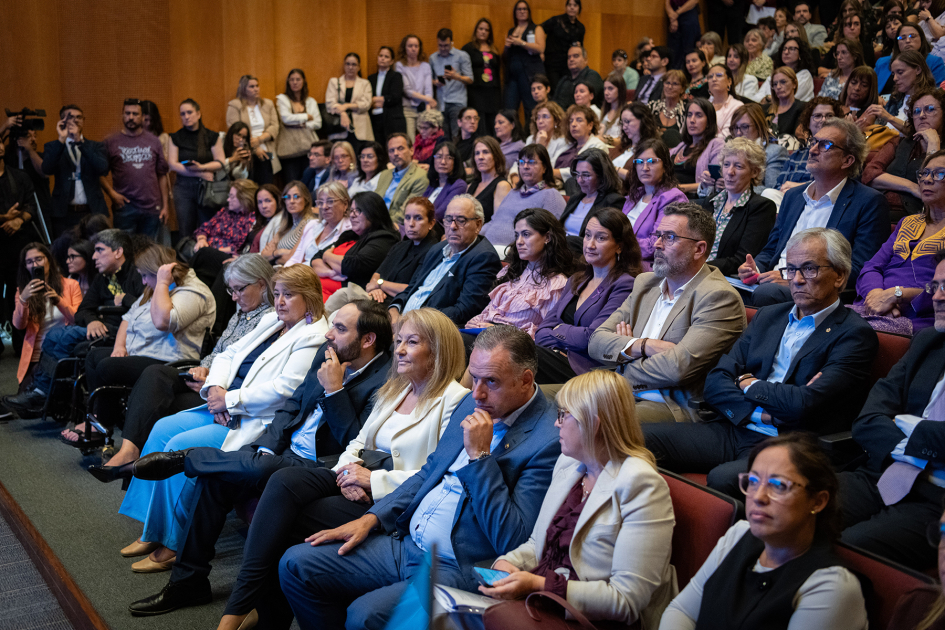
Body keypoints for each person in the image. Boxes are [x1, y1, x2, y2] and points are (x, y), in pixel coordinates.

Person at [278, 325, 561, 630]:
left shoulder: (548, 440)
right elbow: (430, 471)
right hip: (407, 543)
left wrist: (480, 459)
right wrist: (371, 519)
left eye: (491, 381)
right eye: (474, 377)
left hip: (458, 565)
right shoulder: (474, 401)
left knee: (365, 615)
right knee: (296, 564)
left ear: (526, 380)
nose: (476, 392)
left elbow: (512, 538)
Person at [123, 299, 393, 619]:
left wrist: (334, 391)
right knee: (217, 478)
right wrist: (265, 446)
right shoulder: (328, 353)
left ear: (368, 340)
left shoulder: (386, 379)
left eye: (340, 328)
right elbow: (290, 408)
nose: (328, 335)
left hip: (321, 467)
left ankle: (187, 459)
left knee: (257, 467)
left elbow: (357, 441)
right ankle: (188, 582)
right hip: (284, 452)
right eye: (331, 325)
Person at [115, 264, 330, 574]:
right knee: (162, 429)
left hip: (255, 420)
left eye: (289, 295)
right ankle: (153, 530)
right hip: (225, 403)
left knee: (178, 447)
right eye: (278, 294)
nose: (280, 301)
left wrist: (228, 400)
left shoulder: (313, 336)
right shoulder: (272, 320)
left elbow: (285, 390)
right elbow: (228, 354)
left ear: (309, 297)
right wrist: (216, 388)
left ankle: (174, 543)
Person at [646, 228, 877, 495]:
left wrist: (748, 384)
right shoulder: (769, 316)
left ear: (840, 276)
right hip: (736, 426)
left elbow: (803, 405)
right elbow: (716, 381)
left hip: (791, 444)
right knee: (639, 439)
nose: (798, 280)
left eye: (810, 269)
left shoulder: (854, 334)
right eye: (791, 269)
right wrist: (762, 413)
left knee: (724, 478)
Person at [482, 369, 675, 628]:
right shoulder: (569, 465)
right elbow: (538, 544)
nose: (556, 423)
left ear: (592, 424)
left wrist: (538, 584)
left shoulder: (642, 485)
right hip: (543, 601)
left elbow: (626, 601)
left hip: (592, 620)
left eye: (563, 415)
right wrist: (507, 564)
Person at [658, 433, 869, 630]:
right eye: (753, 481)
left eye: (778, 485)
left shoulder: (831, 587)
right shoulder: (738, 534)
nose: (759, 496)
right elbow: (682, 611)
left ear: (818, 501)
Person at [87, 255, 274, 474]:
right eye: (230, 290)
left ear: (261, 283)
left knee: (159, 398)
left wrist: (211, 381)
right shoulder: (243, 312)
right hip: (208, 379)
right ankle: (130, 451)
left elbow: (249, 370)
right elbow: (218, 353)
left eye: (239, 289)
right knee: (154, 375)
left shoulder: (270, 319)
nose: (234, 297)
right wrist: (203, 367)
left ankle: (137, 464)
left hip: (226, 391)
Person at [588, 202, 746, 424]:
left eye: (670, 237)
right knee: (548, 403)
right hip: (620, 396)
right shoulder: (646, 283)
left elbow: (676, 368)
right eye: (658, 235)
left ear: (699, 249)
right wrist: (643, 346)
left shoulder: (718, 297)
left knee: (586, 421)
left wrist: (624, 353)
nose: (658, 245)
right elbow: (596, 341)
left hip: (672, 407)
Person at [738, 118, 892, 306]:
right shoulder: (793, 196)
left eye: (825, 145)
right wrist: (754, 268)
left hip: (816, 290)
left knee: (765, 294)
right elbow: (772, 250)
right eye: (813, 142)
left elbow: (860, 268)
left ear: (847, 160)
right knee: (726, 289)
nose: (812, 150)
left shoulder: (869, 202)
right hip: (772, 282)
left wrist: (795, 277)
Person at [4, 229, 144, 420]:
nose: (94, 257)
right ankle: (43, 391)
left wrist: (126, 299)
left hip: (125, 331)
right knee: (56, 334)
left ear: (118, 252)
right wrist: (92, 320)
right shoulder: (103, 279)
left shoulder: (137, 274)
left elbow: (148, 309)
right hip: (100, 328)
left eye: (99, 250)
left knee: (66, 335)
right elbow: (83, 311)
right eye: (29, 262)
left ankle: (44, 392)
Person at [534, 207, 640, 383]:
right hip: (556, 357)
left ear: (619, 246)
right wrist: (566, 338)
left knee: (521, 356)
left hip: (587, 370)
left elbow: (593, 338)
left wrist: (560, 330)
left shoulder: (625, 284)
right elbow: (541, 332)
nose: (590, 245)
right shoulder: (576, 279)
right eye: (588, 235)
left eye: (601, 238)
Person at [851, 150, 945, 335]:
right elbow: (871, 267)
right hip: (874, 307)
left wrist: (897, 295)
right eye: (924, 173)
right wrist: (876, 295)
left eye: (939, 173)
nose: (927, 179)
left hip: (918, 315)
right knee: (817, 321)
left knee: (849, 333)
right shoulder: (908, 222)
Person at [390, 195, 502, 326]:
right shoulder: (437, 249)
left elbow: (464, 311)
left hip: (431, 330)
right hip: (402, 322)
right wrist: (394, 311)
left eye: (461, 220)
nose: (453, 226)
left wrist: (413, 321)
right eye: (448, 219)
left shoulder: (484, 258)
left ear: (478, 225)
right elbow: (412, 288)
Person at [467, 207, 572, 336]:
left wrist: (499, 331)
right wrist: (475, 324)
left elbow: (547, 334)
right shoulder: (512, 272)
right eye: (517, 235)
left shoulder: (556, 284)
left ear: (547, 237)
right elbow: (487, 313)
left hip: (513, 347)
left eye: (526, 234)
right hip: (485, 336)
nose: (519, 242)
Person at [698, 138, 778, 277]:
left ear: (754, 172)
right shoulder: (710, 202)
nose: (730, 172)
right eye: (726, 164)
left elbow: (742, 260)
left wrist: (698, 267)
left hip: (724, 278)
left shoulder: (761, 208)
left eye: (739, 166)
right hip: (694, 273)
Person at [863, 86, 945, 221]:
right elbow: (869, 174)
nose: (922, 115)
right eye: (916, 111)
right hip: (879, 208)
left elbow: (935, 189)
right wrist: (911, 186)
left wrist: (933, 147)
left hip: (916, 216)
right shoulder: (900, 142)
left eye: (930, 109)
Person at [11, 243, 82, 393]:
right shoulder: (22, 290)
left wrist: (58, 300)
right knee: (26, 405)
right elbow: (19, 325)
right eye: (29, 262)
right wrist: (23, 299)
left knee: (46, 399)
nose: (35, 264)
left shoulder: (70, 285)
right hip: (36, 354)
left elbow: (78, 319)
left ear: (49, 260)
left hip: (62, 350)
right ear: (25, 266)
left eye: (39, 259)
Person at [348, 197, 440, 309]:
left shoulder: (434, 251)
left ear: (431, 223)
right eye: (407, 217)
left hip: (400, 307)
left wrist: (380, 284)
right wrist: (376, 288)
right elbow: (377, 274)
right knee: (343, 297)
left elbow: (413, 289)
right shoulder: (400, 246)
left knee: (343, 296)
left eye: (418, 218)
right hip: (379, 299)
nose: (411, 224)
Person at [311, 191, 399, 300]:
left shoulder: (384, 238)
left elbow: (353, 266)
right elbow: (315, 258)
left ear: (373, 212)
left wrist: (327, 256)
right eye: (351, 211)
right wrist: (330, 272)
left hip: (345, 295)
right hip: (321, 287)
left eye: (357, 211)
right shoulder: (349, 235)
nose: (352, 215)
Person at [101, 99, 169, 240]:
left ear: (143, 116)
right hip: (125, 207)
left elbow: (162, 174)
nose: (131, 117)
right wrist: (111, 194)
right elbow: (98, 172)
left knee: (149, 251)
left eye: (135, 114)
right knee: (124, 251)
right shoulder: (111, 142)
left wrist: (165, 206)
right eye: (127, 113)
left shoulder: (154, 141)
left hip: (151, 207)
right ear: (122, 115)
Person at [41, 105, 109, 237]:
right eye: (71, 117)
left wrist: (80, 142)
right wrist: (61, 140)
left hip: (92, 211)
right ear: (62, 121)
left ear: (83, 120)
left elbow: (103, 168)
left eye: (79, 117)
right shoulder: (52, 146)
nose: (76, 120)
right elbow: (47, 169)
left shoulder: (95, 146)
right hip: (64, 213)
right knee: (64, 252)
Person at [484, 144, 566, 248]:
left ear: (544, 168)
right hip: (488, 247)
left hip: (513, 253)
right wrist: (475, 234)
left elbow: (552, 235)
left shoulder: (551, 195)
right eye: (521, 162)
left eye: (531, 162)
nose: (525, 167)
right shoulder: (513, 192)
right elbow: (494, 221)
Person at [623, 139, 689, 265]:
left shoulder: (673, 198)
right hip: (623, 260)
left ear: (665, 166)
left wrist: (619, 244)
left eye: (652, 162)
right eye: (639, 162)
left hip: (648, 267)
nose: (645, 168)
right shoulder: (635, 195)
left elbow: (657, 245)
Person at [168, 99, 226, 238]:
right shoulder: (175, 137)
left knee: (208, 228)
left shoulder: (212, 136)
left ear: (198, 114)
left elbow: (220, 162)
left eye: (189, 112)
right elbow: (172, 164)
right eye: (182, 114)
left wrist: (202, 167)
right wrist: (199, 173)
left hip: (208, 188)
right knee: (185, 229)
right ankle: (186, 259)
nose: (186, 117)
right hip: (184, 188)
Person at [778, 97, 845, 191]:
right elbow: (778, 186)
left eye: (829, 116)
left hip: (821, 201)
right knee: (769, 193)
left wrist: (799, 188)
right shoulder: (796, 155)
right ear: (808, 123)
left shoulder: (838, 153)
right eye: (817, 116)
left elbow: (836, 186)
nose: (824, 120)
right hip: (787, 199)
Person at [226, 75, 280, 185]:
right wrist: (255, 148)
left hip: (267, 149)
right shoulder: (235, 106)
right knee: (250, 185)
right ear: (243, 89)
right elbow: (236, 132)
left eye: (257, 86)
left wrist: (260, 139)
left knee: (267, 183)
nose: (255, 89)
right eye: (251, 86)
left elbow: (275, 126)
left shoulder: (268, 104)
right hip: (246, 151)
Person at [559, 148, 625, 238]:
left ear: (602, 176)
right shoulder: (575, 198)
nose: (579, 180)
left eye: (586, 175)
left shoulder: (613, 201)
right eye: (578, 174)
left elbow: (606, 239)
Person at [869, 50, 937, 134]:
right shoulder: (895, 98)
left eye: (900, 72)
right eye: (893, 74)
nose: (895, 78)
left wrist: (889, 117)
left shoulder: (931, 100)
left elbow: (921, 132)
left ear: (918, 69)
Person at [285, 181, 351, 267]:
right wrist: (284, 272)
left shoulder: (350, 230)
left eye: (330, 201)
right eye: (320, 202)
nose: (324, 207)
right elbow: (295, 258)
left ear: (345, 204)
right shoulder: (312, 225)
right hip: (299, 275)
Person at [727, 102, 789, 192]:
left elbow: (772, 191)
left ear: (759, 127)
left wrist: (739, 186)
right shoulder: (729, 152)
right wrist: (711, 184)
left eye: (745, 127)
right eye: (735, 128)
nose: (738, 133)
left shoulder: (774, 152)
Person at [276, 69, 323, 184]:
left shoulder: (310, 101)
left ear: (303, 81)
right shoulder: (282, 99)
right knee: (292, 184)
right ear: (288, 82)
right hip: (289, 152)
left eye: (298, 79)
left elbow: (318, 123)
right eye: (292, 80)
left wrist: (299, 123)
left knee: (309, 182)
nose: (295, 82)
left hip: (308, 149)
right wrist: (307, 116)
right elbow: (286, 118)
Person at [192, 179, 261, 258]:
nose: (228, 200)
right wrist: (201, 240)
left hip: (223, 255)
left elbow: (239, 247)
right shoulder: (225, 212)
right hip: (205, 248)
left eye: (232, 197)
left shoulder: (252, 219)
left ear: (244, 198)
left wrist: (211, 250)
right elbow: (204, 228)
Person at [670, 98, 725, 196]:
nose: (692, 120)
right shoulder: (680, 146)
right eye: (689, 115)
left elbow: (712, 184)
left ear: (709, 121)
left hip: (694, 201)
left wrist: (680, 188)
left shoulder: (716, 145)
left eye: (698, 115)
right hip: (669, 197)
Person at [504, 1, 547, 120]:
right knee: (509, 108)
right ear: (515, 13)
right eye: (519, 9)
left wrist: (521, 43)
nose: (522, 12)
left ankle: (532, 135)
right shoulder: (511, 31)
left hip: (529, 74)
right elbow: (506, 55)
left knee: (531, 107)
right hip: (512, 75)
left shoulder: (536, 28)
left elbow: (541, 48)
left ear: (528, 12)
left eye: (524, 9)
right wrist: (507, 47)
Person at [875, 24, 945, 97]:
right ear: (897, 42)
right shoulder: (882, 62)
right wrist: (876, 98)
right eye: (902, 38)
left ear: (921, 38)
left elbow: (940, 93)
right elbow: (870, 89)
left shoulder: (934, 61)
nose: (908, 41)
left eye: (912, 36)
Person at [429, 29, 474, 142]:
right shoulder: (433, 58)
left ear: (451, 43)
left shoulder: (462, 56)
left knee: (457, 135)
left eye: (446, 45)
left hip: (457, 101)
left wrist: (456, 76)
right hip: (441, 103)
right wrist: (435, 82)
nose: (443, 48)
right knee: (443, 137)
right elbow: (428, 79)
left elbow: (470, 79)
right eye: (440, 45)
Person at [376, 134, 430, 227]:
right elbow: (374, 203)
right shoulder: (384, 174)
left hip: (395, 227)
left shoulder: (420, 177)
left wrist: (380, 225)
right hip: (375, 224)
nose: (395, 153)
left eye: (400, 148)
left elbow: (405, 213)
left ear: (411, 150)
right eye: (391, 150)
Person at [463, 19, 503, 135]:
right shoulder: (468, 49)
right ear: (476, 30)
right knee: (479, 120)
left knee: (493, 120)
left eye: (487, 30)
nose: (483, 32)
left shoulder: (494, 49)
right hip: (476, 91)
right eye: (481, 29)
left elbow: (497, 70)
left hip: (493, 91)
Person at [395, 34, 437, 142]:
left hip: (424, 108)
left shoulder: (425, 66)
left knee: (426, 140)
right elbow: (407, 90)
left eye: (416, 46)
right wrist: (428, 99)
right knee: (410, 140)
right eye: (410, 46)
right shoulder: (399, 65)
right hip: (407, 108)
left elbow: (428, 90)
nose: (413, 49)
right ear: (405, 48)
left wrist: (428, 114)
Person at [326, 53, 375, 145]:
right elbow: (330, 104)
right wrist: (343, 113)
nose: (350, 67)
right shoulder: (334, 82)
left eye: (354, 64)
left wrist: (347, 106)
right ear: (344, 66)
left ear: (359, 67)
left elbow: (366, 104)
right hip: (339, 129)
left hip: (360, 129)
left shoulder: (365, 83)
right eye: (348, 64)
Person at [265, 181, 316, 265]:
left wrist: (275, 258)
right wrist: (279, 252)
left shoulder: (309, 224)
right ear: (284, 201)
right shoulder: (285, 225)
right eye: (288, 197)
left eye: (296, 197)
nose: (291, 201)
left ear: (306, 199)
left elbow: (295, 259)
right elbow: (264, 254)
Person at [553, 105, 608, 183]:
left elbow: (585, 172)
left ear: (590, 125)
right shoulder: (566, 144)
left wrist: (554, 172)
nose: (573, 124)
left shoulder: (597, 146)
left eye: (579, 120)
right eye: (571, 121)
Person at [541, 0, 585, 90]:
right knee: (555, 89)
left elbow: (581, 47)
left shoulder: (580, 28)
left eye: (575, 5)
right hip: (552, 63)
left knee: (567, 89)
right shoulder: (555, 21)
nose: (572, 7)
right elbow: (539, 30)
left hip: (568, 65)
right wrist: (541, 51)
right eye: (569, 5)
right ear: (566, 7)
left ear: (579, 8)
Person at [368, 47, 407, 145]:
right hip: (375, 119)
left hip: (391, 119)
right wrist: (380, 100)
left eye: (386, 56)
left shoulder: (396, 76)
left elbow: (395, 97)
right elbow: (367, 99)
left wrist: (377, 100)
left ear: (391, 61)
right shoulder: (370, 78)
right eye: (381, 55)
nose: (382, 58)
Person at [468, 137, 512, 223]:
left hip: (485, 235)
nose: (480, 157)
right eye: (477, 153)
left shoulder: (502, 185)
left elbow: (498, 222)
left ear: (496, 156)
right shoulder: (470, 186)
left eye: (486, 152)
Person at [423, 141, 467, 223]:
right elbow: (420, 206)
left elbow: (440, 214)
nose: (443, 162)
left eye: (449, 158)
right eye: (439, 157)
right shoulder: (433, 184)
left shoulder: (459, 185)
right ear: (433, 160)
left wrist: (419, 219)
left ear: (456, 162)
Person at [613, 102, 662, 172]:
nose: (624, 127)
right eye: (622, 123)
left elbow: (642, 177)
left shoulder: (652, 150)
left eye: (627, 121)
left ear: (643, 121)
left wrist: (614, 170)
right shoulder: (622, 146)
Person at [552, 45, 604, 111]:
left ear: (585, 59)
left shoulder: (593, 76)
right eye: (569, 57)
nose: (571, 59)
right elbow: (554, 102)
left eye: (575, 56)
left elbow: (584, 101)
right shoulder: (564, 80)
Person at [648, 70, 688, 148]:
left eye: (675, 84)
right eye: (667, 83)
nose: (670, 87)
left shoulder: (687, 110)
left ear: (682, 89)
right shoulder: (652, 106)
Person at [767, 66, 809, 138]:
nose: (778, 87)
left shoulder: (803, 107)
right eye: (775, 84)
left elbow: (799, 137)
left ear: (794, 84)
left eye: (783, 82)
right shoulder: (765, 109)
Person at [523, 101, 568, 167]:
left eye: (545, 116)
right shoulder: (530, 139)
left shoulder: (563, 142)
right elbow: (521, 161)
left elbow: (550, 167)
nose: (540, 121)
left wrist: (540, 146)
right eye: (538, 117)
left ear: (556, 121)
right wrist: (514, 175)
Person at [840, 66, 881, 133]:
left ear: (870, 90)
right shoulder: (835, 105)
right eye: (853, 82)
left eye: (864, 85)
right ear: (847, 84)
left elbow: (858, 138)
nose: (857, 88)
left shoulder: (870, 113)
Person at [666, 0, 702, 74]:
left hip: (689, 13)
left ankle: (685, 76)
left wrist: (677, 14)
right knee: (673, 51)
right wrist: (672, 18)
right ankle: (673, 75)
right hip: (674, 14)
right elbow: (667, 2)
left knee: (688, 49)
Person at [707, 64, 742, 138]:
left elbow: (726, 136)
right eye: (710, 76)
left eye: (719, 75)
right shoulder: (702, 106)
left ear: (729, 81)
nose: (713, 79)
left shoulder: (737, 106)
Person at [599, 72, 628, 140]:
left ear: (620, 90)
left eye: (610, 88)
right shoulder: (603, 112)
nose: (606, 93)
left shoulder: (626, 113)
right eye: (605, 89)